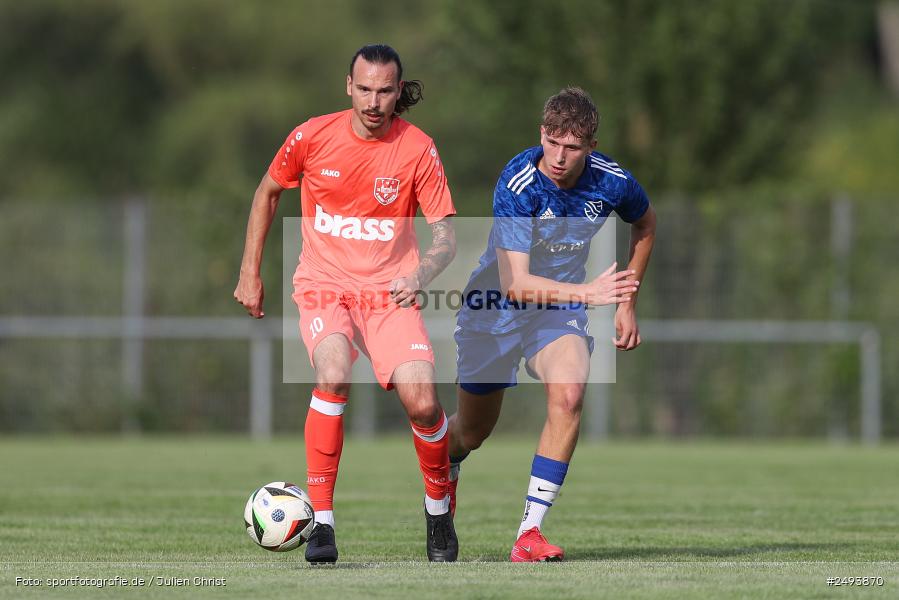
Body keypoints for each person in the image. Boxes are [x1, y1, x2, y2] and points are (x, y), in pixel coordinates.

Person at [234, 44, 458, 563]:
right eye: (364, 89)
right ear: (347, 86)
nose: (373, 102)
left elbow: (445, 235)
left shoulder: (419, 149)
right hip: (324, 282)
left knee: (423, 402)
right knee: (332, 372)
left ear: (398, 91)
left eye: (384, 91)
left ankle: (438, 507)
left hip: (389, 291)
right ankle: (323, 525)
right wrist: (250, 271)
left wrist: (421, 272)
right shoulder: (311, 136)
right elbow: (267, 192)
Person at [447, 87, 656, 562]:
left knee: (569, 392)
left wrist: (626, 301)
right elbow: (516, 283)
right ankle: (444, 466)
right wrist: (590, 294)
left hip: (554, 312)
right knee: (472, 433)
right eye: (552, 142)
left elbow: (646, 224)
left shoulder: (612, 181)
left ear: (591, 147)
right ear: (542, 133)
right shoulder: (519, 182)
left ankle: (529, 534)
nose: (559, 156)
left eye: (573, 147)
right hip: (494, 309)